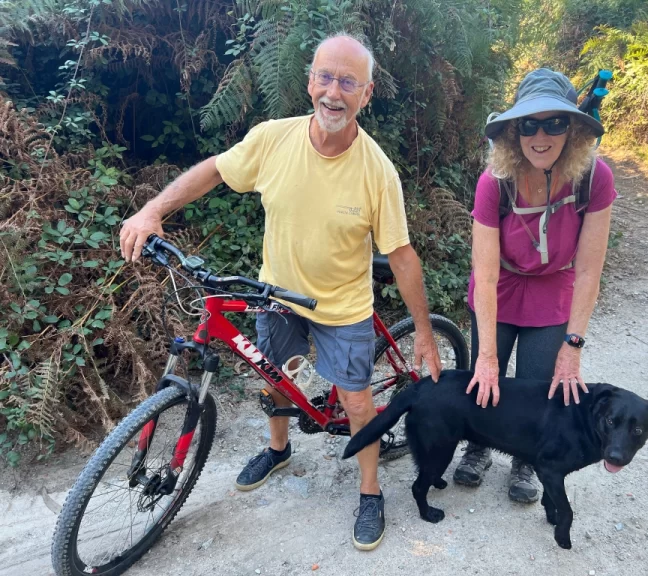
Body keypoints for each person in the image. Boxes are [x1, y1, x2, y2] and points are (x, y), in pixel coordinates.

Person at [119, 33, 442, 551]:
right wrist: (154, 209)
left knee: (357, 402)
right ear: (310, 81)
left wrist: (423, 333)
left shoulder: (378, 170)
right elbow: (216, 170)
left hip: (343, 306)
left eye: (348, 82)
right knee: (273, 381)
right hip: (277, 296)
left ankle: (371, 489)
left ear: (367, 93)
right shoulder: (274, 139)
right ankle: (279, 449)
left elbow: (402, 255)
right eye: (325, 78)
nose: (333, 93)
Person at [453, 68, 617, 503]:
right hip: (500, 286)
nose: (540, 136)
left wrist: (574, 345)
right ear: (514, 130)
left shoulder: (594, 179)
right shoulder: (495, 182)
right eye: (529, 123)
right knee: (484, 377)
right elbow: (485, 275)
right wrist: (487, 355)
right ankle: (478, 445)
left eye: (555, 122)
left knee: (538, 384)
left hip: (552, 289)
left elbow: (588, 271)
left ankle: (525, 457)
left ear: (573, 129)